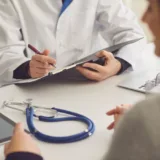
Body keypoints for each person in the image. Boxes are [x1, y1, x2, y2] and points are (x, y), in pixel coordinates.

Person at [0, 0, 145, 86]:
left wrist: (119, 64)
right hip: (35, 87)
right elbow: (5, 51)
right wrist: (27, 68)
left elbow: (131, 33)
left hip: (89, 82)